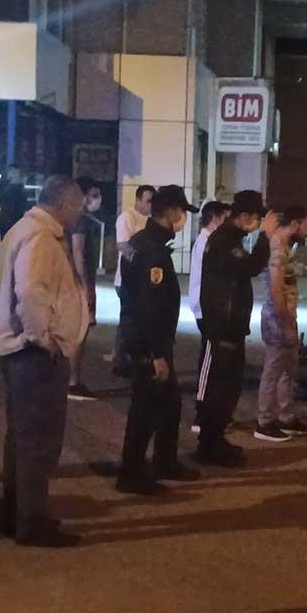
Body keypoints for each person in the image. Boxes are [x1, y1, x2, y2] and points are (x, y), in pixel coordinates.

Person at [0, 175, 89, 548]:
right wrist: (42, 338)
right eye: (78, 206)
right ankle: (31, 521)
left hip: (24, 352)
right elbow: (31, 292)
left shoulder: (24, 230)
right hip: (34, 355)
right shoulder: (40, 238)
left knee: (22, 437)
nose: (79, 214)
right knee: (38, 440)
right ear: (64, 203)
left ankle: (18, 513)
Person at [117, 185, 202, 494]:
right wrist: (157, 354)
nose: (183, 220)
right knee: (146, 408)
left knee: (168, 403)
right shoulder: (152, 250)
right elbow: (149, 306)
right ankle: (131, 474)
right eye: (182, 213)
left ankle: (164, 461)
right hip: (148, 343)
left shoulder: (143, 242)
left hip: (145, 338)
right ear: (172, 212)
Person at [196, 191, 279, 466]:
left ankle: (216, 440)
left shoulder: (231, 239)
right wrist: (265, 237)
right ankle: (208, 444)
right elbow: (251, 266)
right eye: (256, 218)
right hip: (222, 326)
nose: (257, 224)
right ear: (243, 216)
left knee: (229, 387)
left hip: (231, 324)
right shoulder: (223, 241)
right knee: (218, 387)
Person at [255, 206, 307, 443]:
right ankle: (264, 422)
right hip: (277, 319)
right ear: (295, 223)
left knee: (287, 370)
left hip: (284, 317)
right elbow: (276, 290)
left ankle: (285, 417)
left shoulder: (283, 246)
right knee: (273, 372)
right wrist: (287, 324)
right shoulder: (278, 249)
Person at [187, 200, 229, 433]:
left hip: (209, 306)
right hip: (206, 307)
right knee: (208, 359)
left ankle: (210, 411)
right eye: (225, 219)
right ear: (214, 219)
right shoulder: (206, 242)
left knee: (214, 360)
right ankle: (201, 413)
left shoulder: (209, 241)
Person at [110, 184, 155, 373]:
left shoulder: (150, 220)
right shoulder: (127, 218)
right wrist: (142, 259)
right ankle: (120, 360)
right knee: (128, 319)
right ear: (138, 200)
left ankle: (129, 357)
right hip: (126, 279)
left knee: (136, 319)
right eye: (148, 201)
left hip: (142, 279)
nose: (151, 205)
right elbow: (123, 246)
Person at [68, 177, 104, 400]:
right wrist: (87, 287)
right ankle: (72, 383)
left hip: (74, 282)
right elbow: (79, 254)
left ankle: (70, 380)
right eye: (93, 195)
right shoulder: (80, 221)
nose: (97, 199)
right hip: (78, 285)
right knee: (79, 333)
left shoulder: (72, 218)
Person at [0, 165, 29, 240]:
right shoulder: (3, 185)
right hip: (7, 219)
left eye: (16, 172)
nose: (15, 175)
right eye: (13, 172)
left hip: (13, 219)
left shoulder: (19, 187)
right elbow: (1, 199)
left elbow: (23, 202)